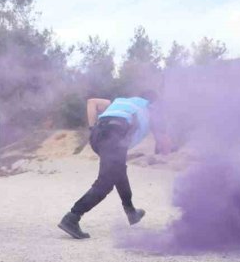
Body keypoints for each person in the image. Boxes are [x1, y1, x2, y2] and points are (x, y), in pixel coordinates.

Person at [58, 91, 170, 239]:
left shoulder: (120, 103)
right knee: (105, 183)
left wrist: (92, 129)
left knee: (119, 172)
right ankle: (72, 217)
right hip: (115, 135)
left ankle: (131, 212)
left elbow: (92, 102)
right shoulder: (149, 109)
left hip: (99, 135)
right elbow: (163, 141)